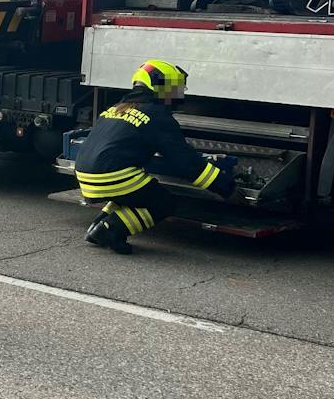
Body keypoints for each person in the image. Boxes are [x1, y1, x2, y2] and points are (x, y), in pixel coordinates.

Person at [75, 59, 235, 253]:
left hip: (85, 174)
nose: (180, 95)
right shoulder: (156, 115)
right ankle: (111, 230)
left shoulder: (116, 108)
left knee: (134, 194)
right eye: (175, 89)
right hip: (113, 176)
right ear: (159, 88)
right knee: (163, 203)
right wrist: (223, 184)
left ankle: (97, 227)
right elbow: (184, 161)